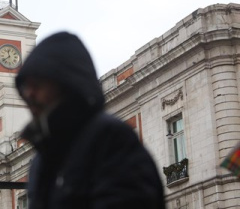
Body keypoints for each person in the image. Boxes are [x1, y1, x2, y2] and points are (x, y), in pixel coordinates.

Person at [15, 31, 165, 209]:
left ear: (65, 83)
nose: (29, 94)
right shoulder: (40, 161)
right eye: (26, 86)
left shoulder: (109, 138)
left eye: (37, 84)